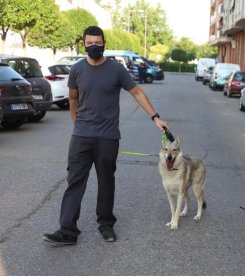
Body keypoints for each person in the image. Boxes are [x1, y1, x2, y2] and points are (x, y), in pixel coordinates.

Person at [42, 26, 168, 245]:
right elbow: (73, 98)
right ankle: (67, 230)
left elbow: (137, 92)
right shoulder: (77, 69)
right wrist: (76, 121)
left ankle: (106, 224)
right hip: (82, 136)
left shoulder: (116, 69)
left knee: (106, 181)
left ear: (104, 43)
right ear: (84, 44)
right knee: (75, 181)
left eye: (97, 43)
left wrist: (155, 117)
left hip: (108, 137)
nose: (94, 47)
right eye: (89, 43)